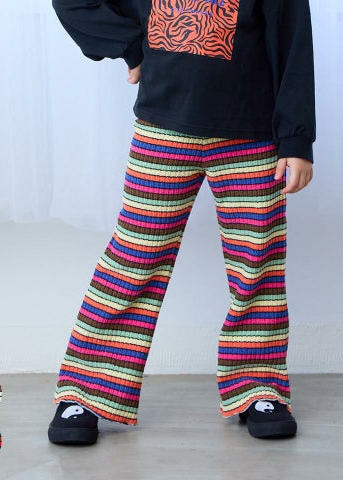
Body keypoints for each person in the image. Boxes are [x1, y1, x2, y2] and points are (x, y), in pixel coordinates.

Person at [47, 0, 316, 444]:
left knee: (257, 262)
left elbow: (293, 41)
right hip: (163, 127)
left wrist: (296, 138)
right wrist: (131, 45)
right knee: (134, 258)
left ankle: (258, 386)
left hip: (251, 133)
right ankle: (87, 389)